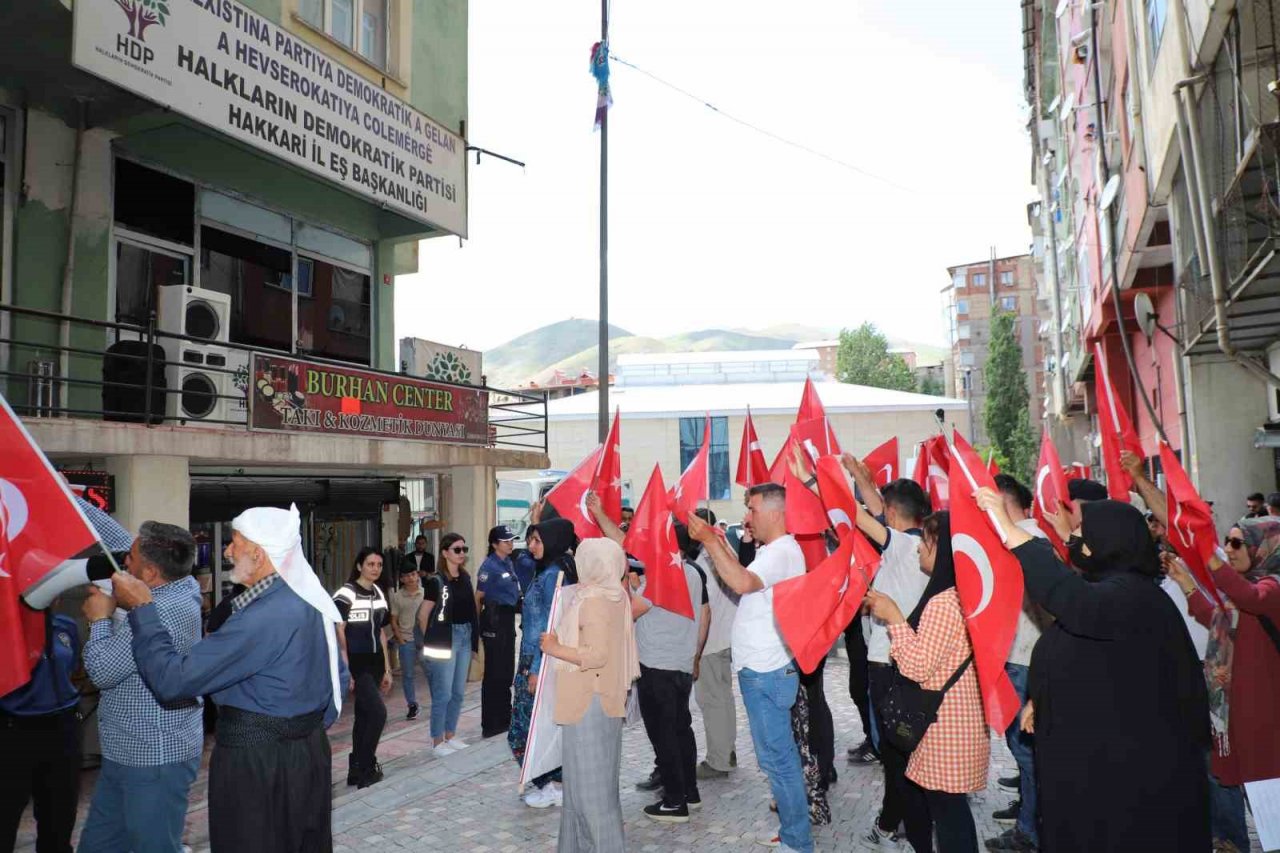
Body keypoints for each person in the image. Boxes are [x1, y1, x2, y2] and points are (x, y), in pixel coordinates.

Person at [976, 489, 1210, 853]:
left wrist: (1010, 530)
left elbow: (1071, 601)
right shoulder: (1111, 589)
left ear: (1111, 540)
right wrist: (1043, 696)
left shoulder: (1132, 596)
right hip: (1098, 766)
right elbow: (1086, 652)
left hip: (1130, 783)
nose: (1078, 539)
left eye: (1085, 530)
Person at [110, 504, 344, 853]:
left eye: (234, 541)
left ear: (259, 553)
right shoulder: (306, 596)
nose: (226, 550)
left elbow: (172, 681)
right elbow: (337, 676)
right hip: (305, 753)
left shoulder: (264, 617)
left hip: (259, 762)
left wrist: (144, 611)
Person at [690, 484, 812, 853]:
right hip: (765, 668)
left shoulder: (780, 552)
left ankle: (798, 840)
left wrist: (709, 543)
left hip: (767, 670)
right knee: (776, 756)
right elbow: (745, 575)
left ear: (775, 513)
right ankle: (793, 831)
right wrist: (718, 543)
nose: (747, 517)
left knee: (779, 758)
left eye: (753, 509)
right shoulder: (777, 551)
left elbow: (741, 581)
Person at [864, 512, 987, 853]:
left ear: (943, 549)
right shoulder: (962, 595)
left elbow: (918, 666)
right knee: (951, 813)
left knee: (949, 818)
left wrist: (894, 619)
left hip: (944, 727)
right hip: (957, 724)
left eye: (926, 542)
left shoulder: (944, 603)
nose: (919, 548)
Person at [79, 522, 204, 853]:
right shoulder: (181, 582)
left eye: (130, 558)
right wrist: (71, 498)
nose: (123, 562)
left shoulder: (161, 612)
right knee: (97, 847)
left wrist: (100, 620)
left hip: (154, 761)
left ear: (149, 573)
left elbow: (103, 672)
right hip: (127, 752)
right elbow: (119, 540)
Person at [1168, 517, 1280, 853]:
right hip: (1242, 712)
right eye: (1226, 543)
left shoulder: (1272, 587)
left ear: (1262, 546)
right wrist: (1187, 583)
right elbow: (1217, 620)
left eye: (1236, 543)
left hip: (1268, 714)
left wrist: (1208, 555)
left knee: (1270, 796)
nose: (1229, 551)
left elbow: (1251, 599)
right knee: (1259, 798)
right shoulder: (1248, 588)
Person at [847, 466, 932, 847]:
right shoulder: (929, 550)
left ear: (894, 516)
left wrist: (820, 479)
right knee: (905, 748)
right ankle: (904, 819)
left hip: (890, 665)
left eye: (886, 511)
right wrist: (861, 478)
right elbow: (874, 510)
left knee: (895, 753)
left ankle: (894, 824)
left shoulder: (901, 545)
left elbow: (858, 515)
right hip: (913, 662)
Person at [538, 538, 640, 853]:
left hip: (589, 702)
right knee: (589, 790)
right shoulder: (616, 595)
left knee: (589, 794)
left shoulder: (595, 600)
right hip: (602, 700)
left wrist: (554, 647)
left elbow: (595, 655)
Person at [983, 475, 1047, 853]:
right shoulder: (1033, 538)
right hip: (1024, 658)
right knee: (1027, 754)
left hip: (1024, 661)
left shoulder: (1023, 541)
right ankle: (1030, 815)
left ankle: (1030, 831)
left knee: (1028, 753)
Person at [0, 610, 81, 853]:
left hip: (62, 727)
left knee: (59, 818)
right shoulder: (7, 627)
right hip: (14, 730)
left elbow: (72, 667)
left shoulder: (65, 624)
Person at [510, 517, 576, 808]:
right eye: (530, 539)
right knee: (540, 725)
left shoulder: (554, 575)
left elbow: (552, 624)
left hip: (539, 660)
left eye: (537, 540)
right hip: (537, 658)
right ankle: (552, 783)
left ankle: (553, 784)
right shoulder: (553, 568)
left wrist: (535, 669)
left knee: (526, 729)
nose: (530, 546)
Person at [334, 548, 392, 788]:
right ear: (359, 566)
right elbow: (338, 630)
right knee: (379, 714)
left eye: (378, 564)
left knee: (365, 716)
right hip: (356, 663)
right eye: (370, 564)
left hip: (375, 662)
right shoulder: (345, 594)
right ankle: (367, 766)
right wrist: (345, 666)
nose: (375, 568)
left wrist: (388, 668)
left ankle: (355, 769)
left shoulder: (379, 592)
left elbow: (381, 632)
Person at [420, 533, 480, 756]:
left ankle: (450, 735)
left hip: (464, 635)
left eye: (464, 549)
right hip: (445, 639)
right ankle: (437, 742)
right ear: (445, 553)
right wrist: (432, 638)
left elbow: (472, 610)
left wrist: (473, 639)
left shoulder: (465, 578)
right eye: (457, 549)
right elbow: (423, 614)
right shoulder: (436, 581)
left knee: (458, 692)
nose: (462, 553)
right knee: (442, 693)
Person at [694, 512, 740, 780]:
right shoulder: (721, 547)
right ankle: (727, 751)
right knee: (722, 699)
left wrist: (695, 652)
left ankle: (719, 759)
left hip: (712, 640)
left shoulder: (704, 558)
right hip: (725, 636)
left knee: (712, 700)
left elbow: (704, 608)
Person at [478, 524, 522, 738]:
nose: (510, 543)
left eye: (511, 540)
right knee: (494, 673)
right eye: (505, 541)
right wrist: (480, 626)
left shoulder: (508, 563)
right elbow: (478, 597)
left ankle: (504, 718)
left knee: (505, 672)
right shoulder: (490, 566)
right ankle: (491, 723)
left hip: (506, 618)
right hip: (494, 619)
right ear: (495, 544)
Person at [389, 565, 426, 720]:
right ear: (402, 579)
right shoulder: (397, 597)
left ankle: (439, 700)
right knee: (408, 675)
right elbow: (393, 620)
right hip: (407, 640)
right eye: (407, 575)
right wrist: (400, 638)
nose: (411, 578)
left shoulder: (426, 593)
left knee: (432, 671)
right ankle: (412, 705)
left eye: (413, 574)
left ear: (417, 575)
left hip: (425, 640)